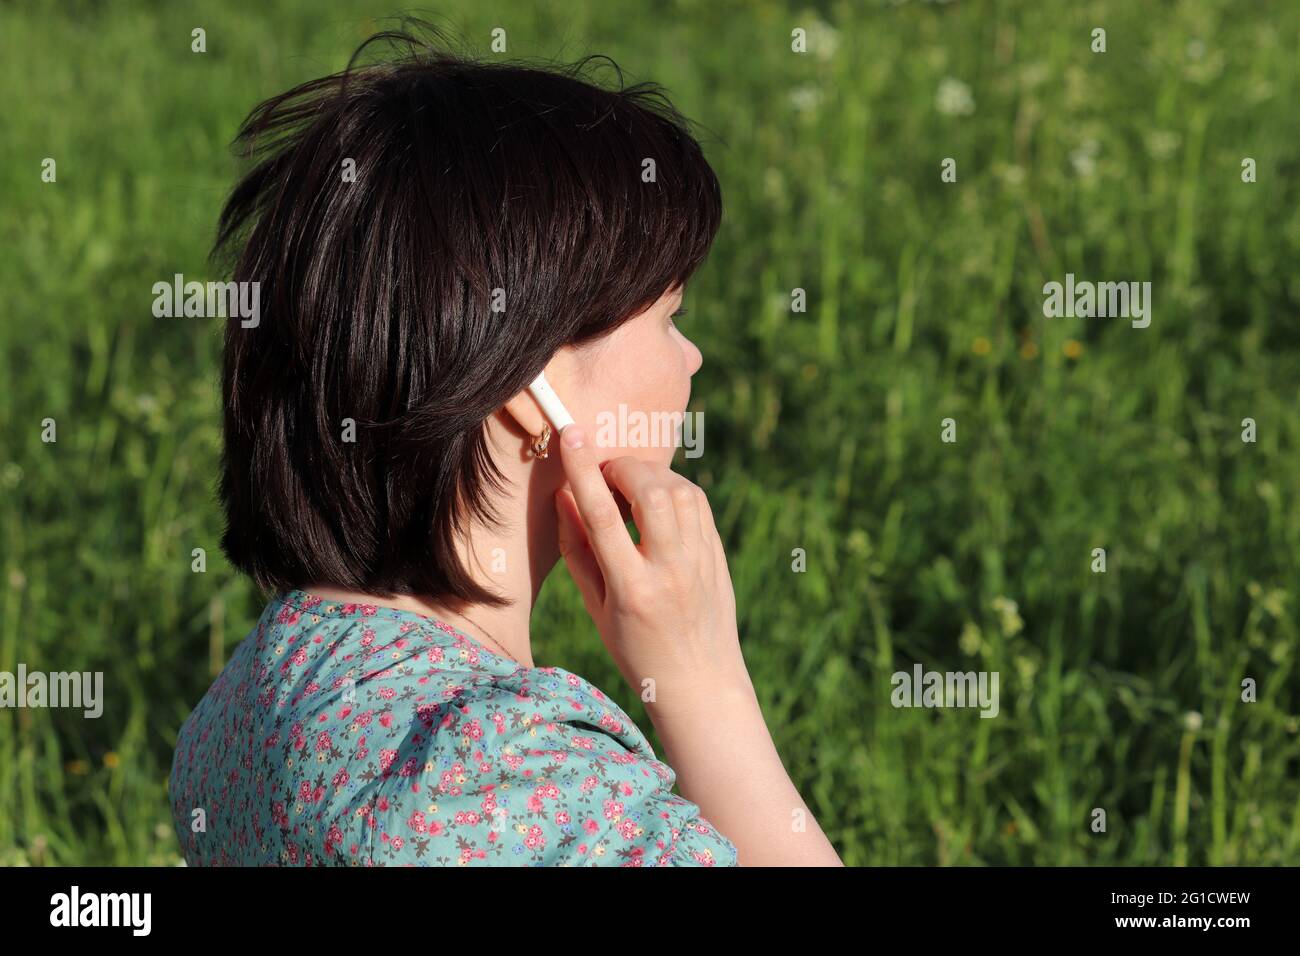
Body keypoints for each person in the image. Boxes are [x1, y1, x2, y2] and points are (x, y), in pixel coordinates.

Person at [169, 25, 841, 867]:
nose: (694, 357)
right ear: (528, 388)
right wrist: (705, 686)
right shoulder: (515, 783)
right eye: (670, 318)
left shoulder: (259, 690)